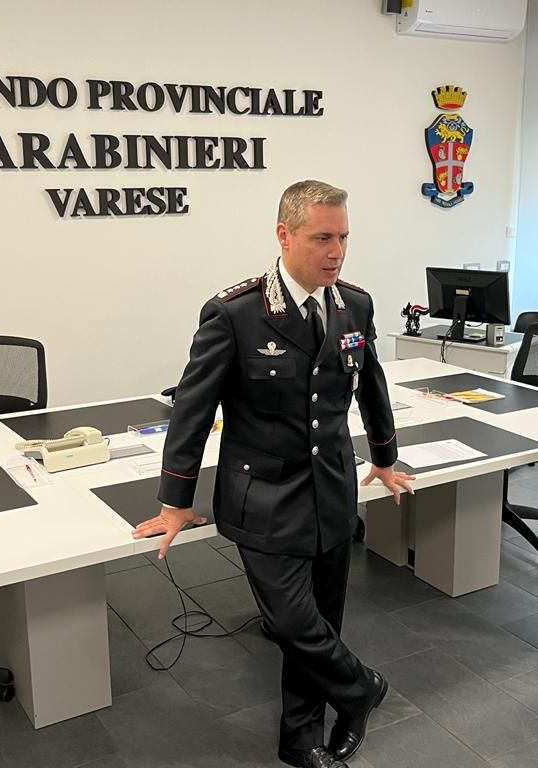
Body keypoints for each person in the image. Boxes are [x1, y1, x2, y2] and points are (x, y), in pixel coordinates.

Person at [132, 180, 415, 768]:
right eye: (322, 238)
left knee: (324, 619)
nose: (336, 252)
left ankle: (303, 738)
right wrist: (175, 499)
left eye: (343, 238)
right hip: (261, 492)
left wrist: (385, 458)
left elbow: (371, 383)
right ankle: (361, 689)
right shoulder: (236, 312)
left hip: (331, 486)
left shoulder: (354, 305)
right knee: (290, 621)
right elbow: (192, 409)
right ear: (284, 235)